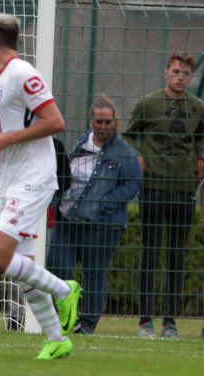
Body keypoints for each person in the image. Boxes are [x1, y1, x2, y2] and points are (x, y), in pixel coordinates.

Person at [0, 13, 81, 360]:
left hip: (33, 179)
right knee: (24, 268)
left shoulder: (22, 73)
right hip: (12, 182)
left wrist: (8, 138)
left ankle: (64, 289)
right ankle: (57, 338)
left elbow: (56, 121)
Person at [124, 52, 204, 339]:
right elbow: (130, 134)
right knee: (151, 254)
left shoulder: (198, 108)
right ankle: (145, 320)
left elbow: (201, 138)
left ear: (191, 77)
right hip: (154, 188)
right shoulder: (149, 103)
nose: (180, 77)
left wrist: (199, 159)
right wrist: (139, 155)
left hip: (184, 191)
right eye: (176, 72)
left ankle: (170, 321)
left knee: (176, 257)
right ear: (165, 73)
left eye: (185, 73)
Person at [47, 95, 142, 334]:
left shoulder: (124, 153)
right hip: (68, 219)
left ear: (116, 123)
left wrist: (104, 204)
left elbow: (132, 185)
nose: (103, 126)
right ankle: (70, 312)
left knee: (95, 274)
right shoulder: (81, 144)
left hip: (103, 225)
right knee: (57, 267)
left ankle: (87, 324)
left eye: (108, 122)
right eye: (99, 121)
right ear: (91, 122)